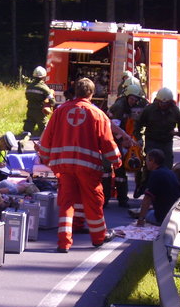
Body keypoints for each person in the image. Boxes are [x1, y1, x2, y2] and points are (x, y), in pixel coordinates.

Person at [37, 77, 122, 253]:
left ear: (75, 92)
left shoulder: (60, 111)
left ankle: (63, 243)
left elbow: (47, 137)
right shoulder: (97, 114)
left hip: (64, 167)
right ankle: (99, 238)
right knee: (93, 201)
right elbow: (107, 141)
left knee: (67, 202)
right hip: (88, 168)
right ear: (92, 93)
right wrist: (117, 161)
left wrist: (45, 158)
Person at [105, 84, 148, 207]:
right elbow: (113, 128)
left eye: (135, 99)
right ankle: (105, 199)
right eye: (132, 99)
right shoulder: (119, 107)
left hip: (121, 140)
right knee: (107, 171)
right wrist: (122, 140)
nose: (133, 101)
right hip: (110, 140)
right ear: (127, 96)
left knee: (120, 171)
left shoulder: (131, 106)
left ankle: (122, 199)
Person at [133, 87, 180, 170]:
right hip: (152, 141)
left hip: (166, 142)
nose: (163, 105)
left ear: (170, 102)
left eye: (166, 103)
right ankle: (147, 181)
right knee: (151, 165)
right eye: (161, 102)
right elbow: (138, 124)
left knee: (167, 165)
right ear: (157, 100)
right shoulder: (149, 109)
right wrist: (138, 138)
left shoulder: (174, 110)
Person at [135, 149, 180, 227]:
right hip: (175, 213)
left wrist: (141, 219)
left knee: (146, 213)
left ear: (152, 161)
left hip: (163, 217)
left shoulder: (155, 174)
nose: (145, 163)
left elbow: (147, 198)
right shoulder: (170, 172)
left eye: (147, 160)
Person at [21, 66, 54, 137]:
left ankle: (24, 140)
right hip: (40, 112)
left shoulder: (29, 87)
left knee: (28, 128)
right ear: (43, 76)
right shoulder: (44, 88)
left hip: (30, 110)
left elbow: (27, 97)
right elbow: (52, 101)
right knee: (45, 131)